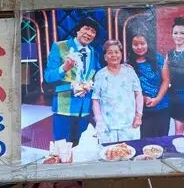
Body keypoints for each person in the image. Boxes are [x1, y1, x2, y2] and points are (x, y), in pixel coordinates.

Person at [43, 16, 101, 146]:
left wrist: (121, 67)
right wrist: (64, 68)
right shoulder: (59, 46)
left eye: (93, 31)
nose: (89, 33)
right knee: (62, 147)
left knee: (82, 148)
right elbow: (48, 77)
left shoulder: (93, 52)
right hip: (64, 106)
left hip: (84, 109)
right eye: (86, 29)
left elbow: (99, 75)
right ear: (78, 30)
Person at [91, 40, 144, 144]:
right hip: (107, 126)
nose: (114, 55)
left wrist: (138, 116)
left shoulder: (129, 71)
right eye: (110, 52)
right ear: (105, 57)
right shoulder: (100, 75)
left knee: (130, 153)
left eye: (116, 52)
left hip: (129, 125)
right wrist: (99, 121)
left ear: (121, 54)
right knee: (110, 154)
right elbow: (95, 100)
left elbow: (138, 94)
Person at [128, 32, 171, 139]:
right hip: (142, 110)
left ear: (147, 43)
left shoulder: (159, 59)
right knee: (145, 142)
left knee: (162, 140)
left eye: (142, 43)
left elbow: (166, 80)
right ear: (131, 46)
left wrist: (157, 99)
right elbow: (129, 89)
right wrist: (143, 98)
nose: (139, 47)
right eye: (135, 44)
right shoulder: (128, 65)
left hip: (162, 107)